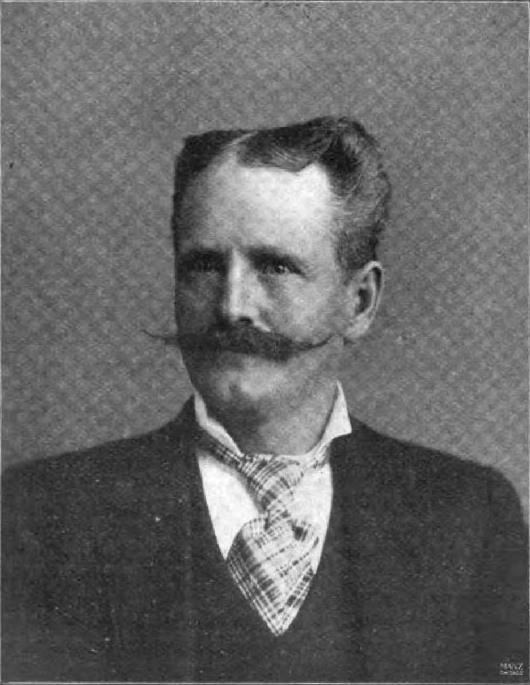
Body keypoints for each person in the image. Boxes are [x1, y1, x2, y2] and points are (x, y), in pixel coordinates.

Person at [2, 117, 528, 683]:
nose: (232, 306)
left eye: (276, 266)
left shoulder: (466, 516)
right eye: (204, 265)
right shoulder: (42, 516)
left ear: (359, 301)